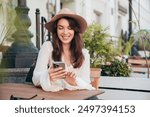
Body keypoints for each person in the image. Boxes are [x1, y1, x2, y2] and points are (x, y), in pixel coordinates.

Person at [32, 8, 95, 92]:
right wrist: (48, 76)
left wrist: (73, 82)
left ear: (75, 30)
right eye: (61, 28)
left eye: (69, 28)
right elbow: (35, 78)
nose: (65, 32)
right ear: (56, 30)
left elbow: (86, 82)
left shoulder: (84, 54)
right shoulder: (48, 47)